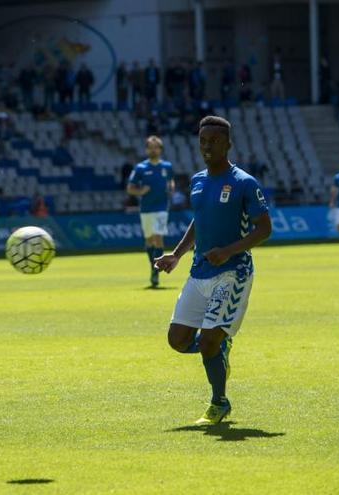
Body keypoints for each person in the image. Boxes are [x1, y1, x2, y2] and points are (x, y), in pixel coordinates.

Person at [154, 116, 272, 426]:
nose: (207, 146)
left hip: (233, 272)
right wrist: (177, 254)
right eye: (203, 141)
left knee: (207, 341)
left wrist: (229, 251)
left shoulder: (244, 182)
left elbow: (264, 229)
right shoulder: (197, 180)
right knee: (177, 340)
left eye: (214, 141)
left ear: (228, 144)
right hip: (199, 271)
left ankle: (219, 402)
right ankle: (220, 347)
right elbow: (199, 221)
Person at [126, 135, 174, 288]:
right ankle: (153, 265)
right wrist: (141, 192)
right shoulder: (141, 168)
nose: (153, 150)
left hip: (161, 208)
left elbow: (171, 180)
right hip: (146, 209)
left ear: (160, 149)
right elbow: (130, 188)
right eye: (150, 147)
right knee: (149, 241)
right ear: (146, 149)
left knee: (158, 238)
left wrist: (171, 187)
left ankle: (156, 270)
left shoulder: (167, 166)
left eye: (156, 147)